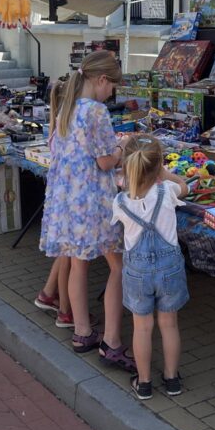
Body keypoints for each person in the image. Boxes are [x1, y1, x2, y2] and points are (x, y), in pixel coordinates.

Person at [38, 50, 133, 371]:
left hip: (70, 202)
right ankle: (112, 341)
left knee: (79, 266)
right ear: (101, 80)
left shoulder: (68, 107)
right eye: (112, 86)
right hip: (94, 202)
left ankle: (82, 332)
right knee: (118, 267)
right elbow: (106, 161)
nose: (112, 92)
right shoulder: (96, 112)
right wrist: (123, 145)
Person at [112, 136, 189, 400]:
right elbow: (185, 187)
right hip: (170, 269)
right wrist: (166, 174)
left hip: (137, 271)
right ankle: (172, 379)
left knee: (142, 327)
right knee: (169, 324)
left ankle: (144, 382)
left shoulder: (120, 202)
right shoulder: (167, 191)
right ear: (158, 168)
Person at [33, 80, 74, 328]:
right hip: (69, 197)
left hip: (60, 196)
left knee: (64, 253)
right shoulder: (69, 124)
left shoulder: (59, 120)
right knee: (69, 254)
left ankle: (48, 294)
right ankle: (65, 311)